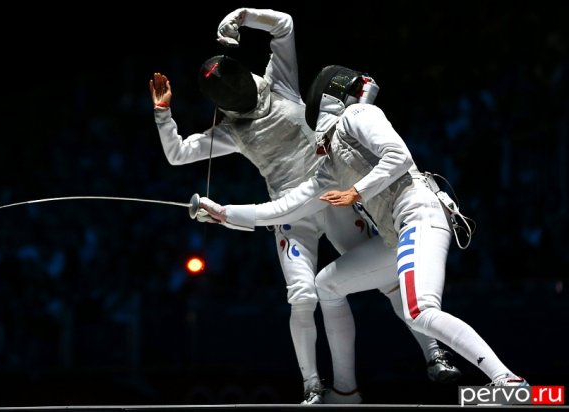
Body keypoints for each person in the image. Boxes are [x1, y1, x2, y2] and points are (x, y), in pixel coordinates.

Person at [150, 8, 461, 404]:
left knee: (386, 277)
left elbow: (283, 25)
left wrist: (242, 16)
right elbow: (177, 153)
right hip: (289, 210)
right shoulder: (231, 130)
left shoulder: (278, 82)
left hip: (329, 191)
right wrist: (163, 113)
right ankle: (313, 385)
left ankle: (434, 352)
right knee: (302, 295)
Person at [197, 64, 529, 389]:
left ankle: (506, 379)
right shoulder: (330, 168)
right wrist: (225, 213)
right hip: (399, 232)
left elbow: (398, 157)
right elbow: (285, 208)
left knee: (420, 310)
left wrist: (356, 191)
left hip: (419, 214)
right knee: (327, 284)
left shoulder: (357, 115)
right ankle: (345, 391)